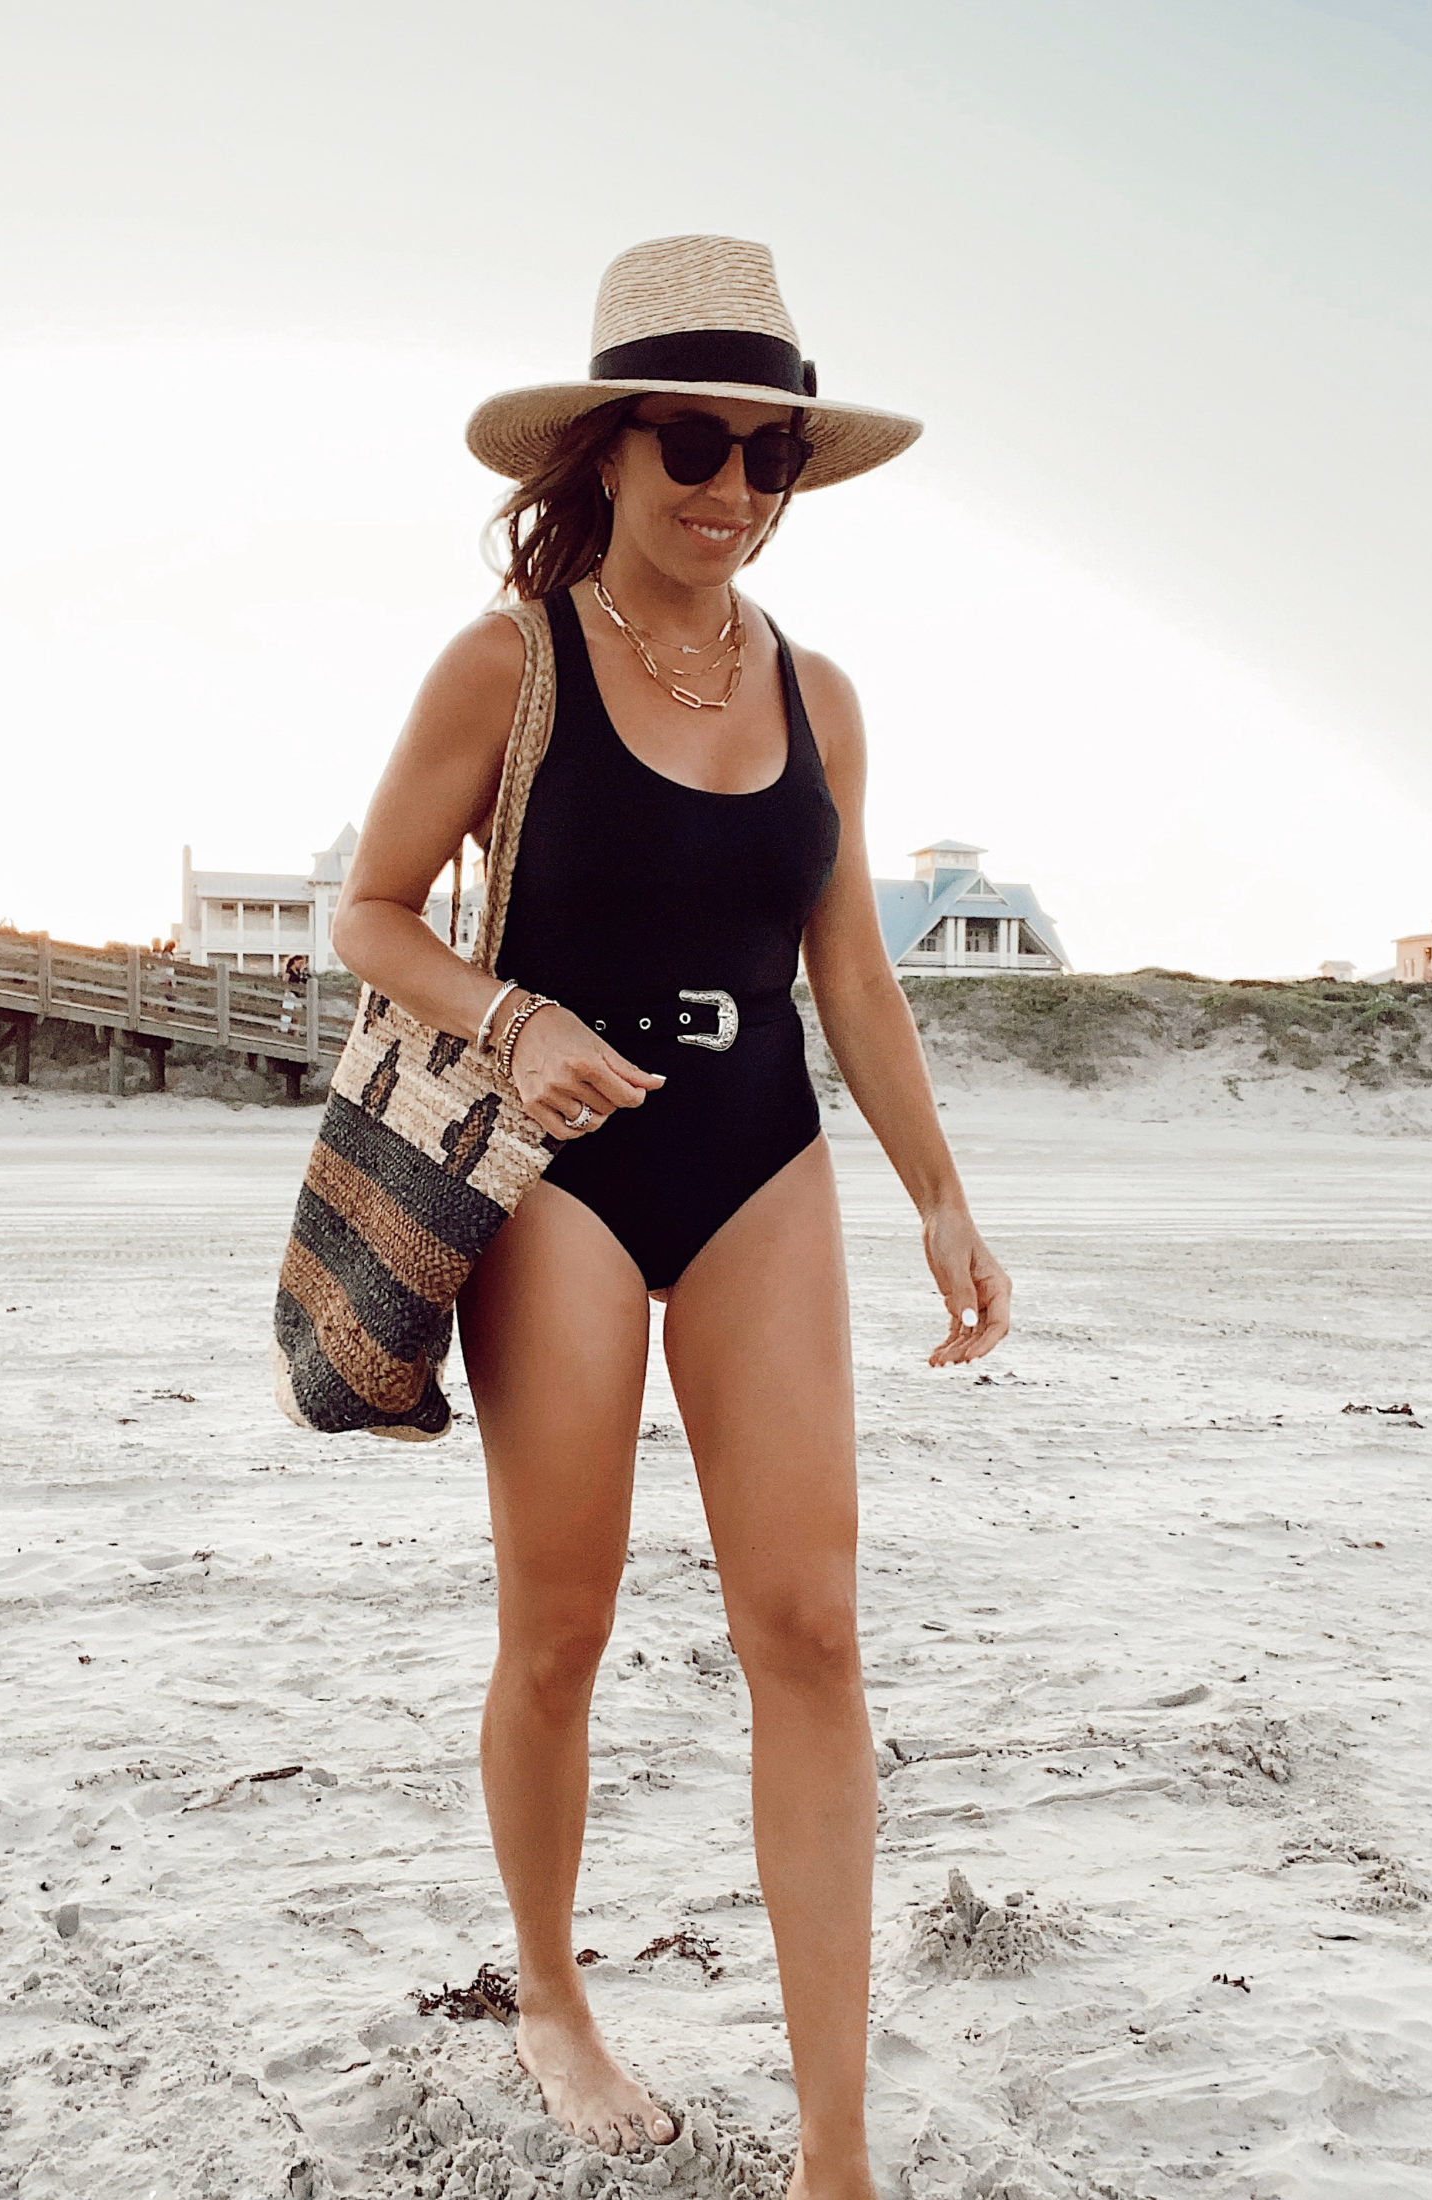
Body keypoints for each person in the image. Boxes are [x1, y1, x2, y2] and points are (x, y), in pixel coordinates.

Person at [332, 236, 1011, 2200]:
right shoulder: (508, 660)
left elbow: (856, 981)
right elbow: (370, 911)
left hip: (758, 1147)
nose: (732, 494)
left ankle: (836, 2152)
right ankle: (549, 1984)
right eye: (697, 447)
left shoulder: (820, 689)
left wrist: (946, 1203)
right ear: (610, 450)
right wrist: (510, 1010)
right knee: (559, 1626)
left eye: (770, 458)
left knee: (808, 1623)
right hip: (557, 1174)